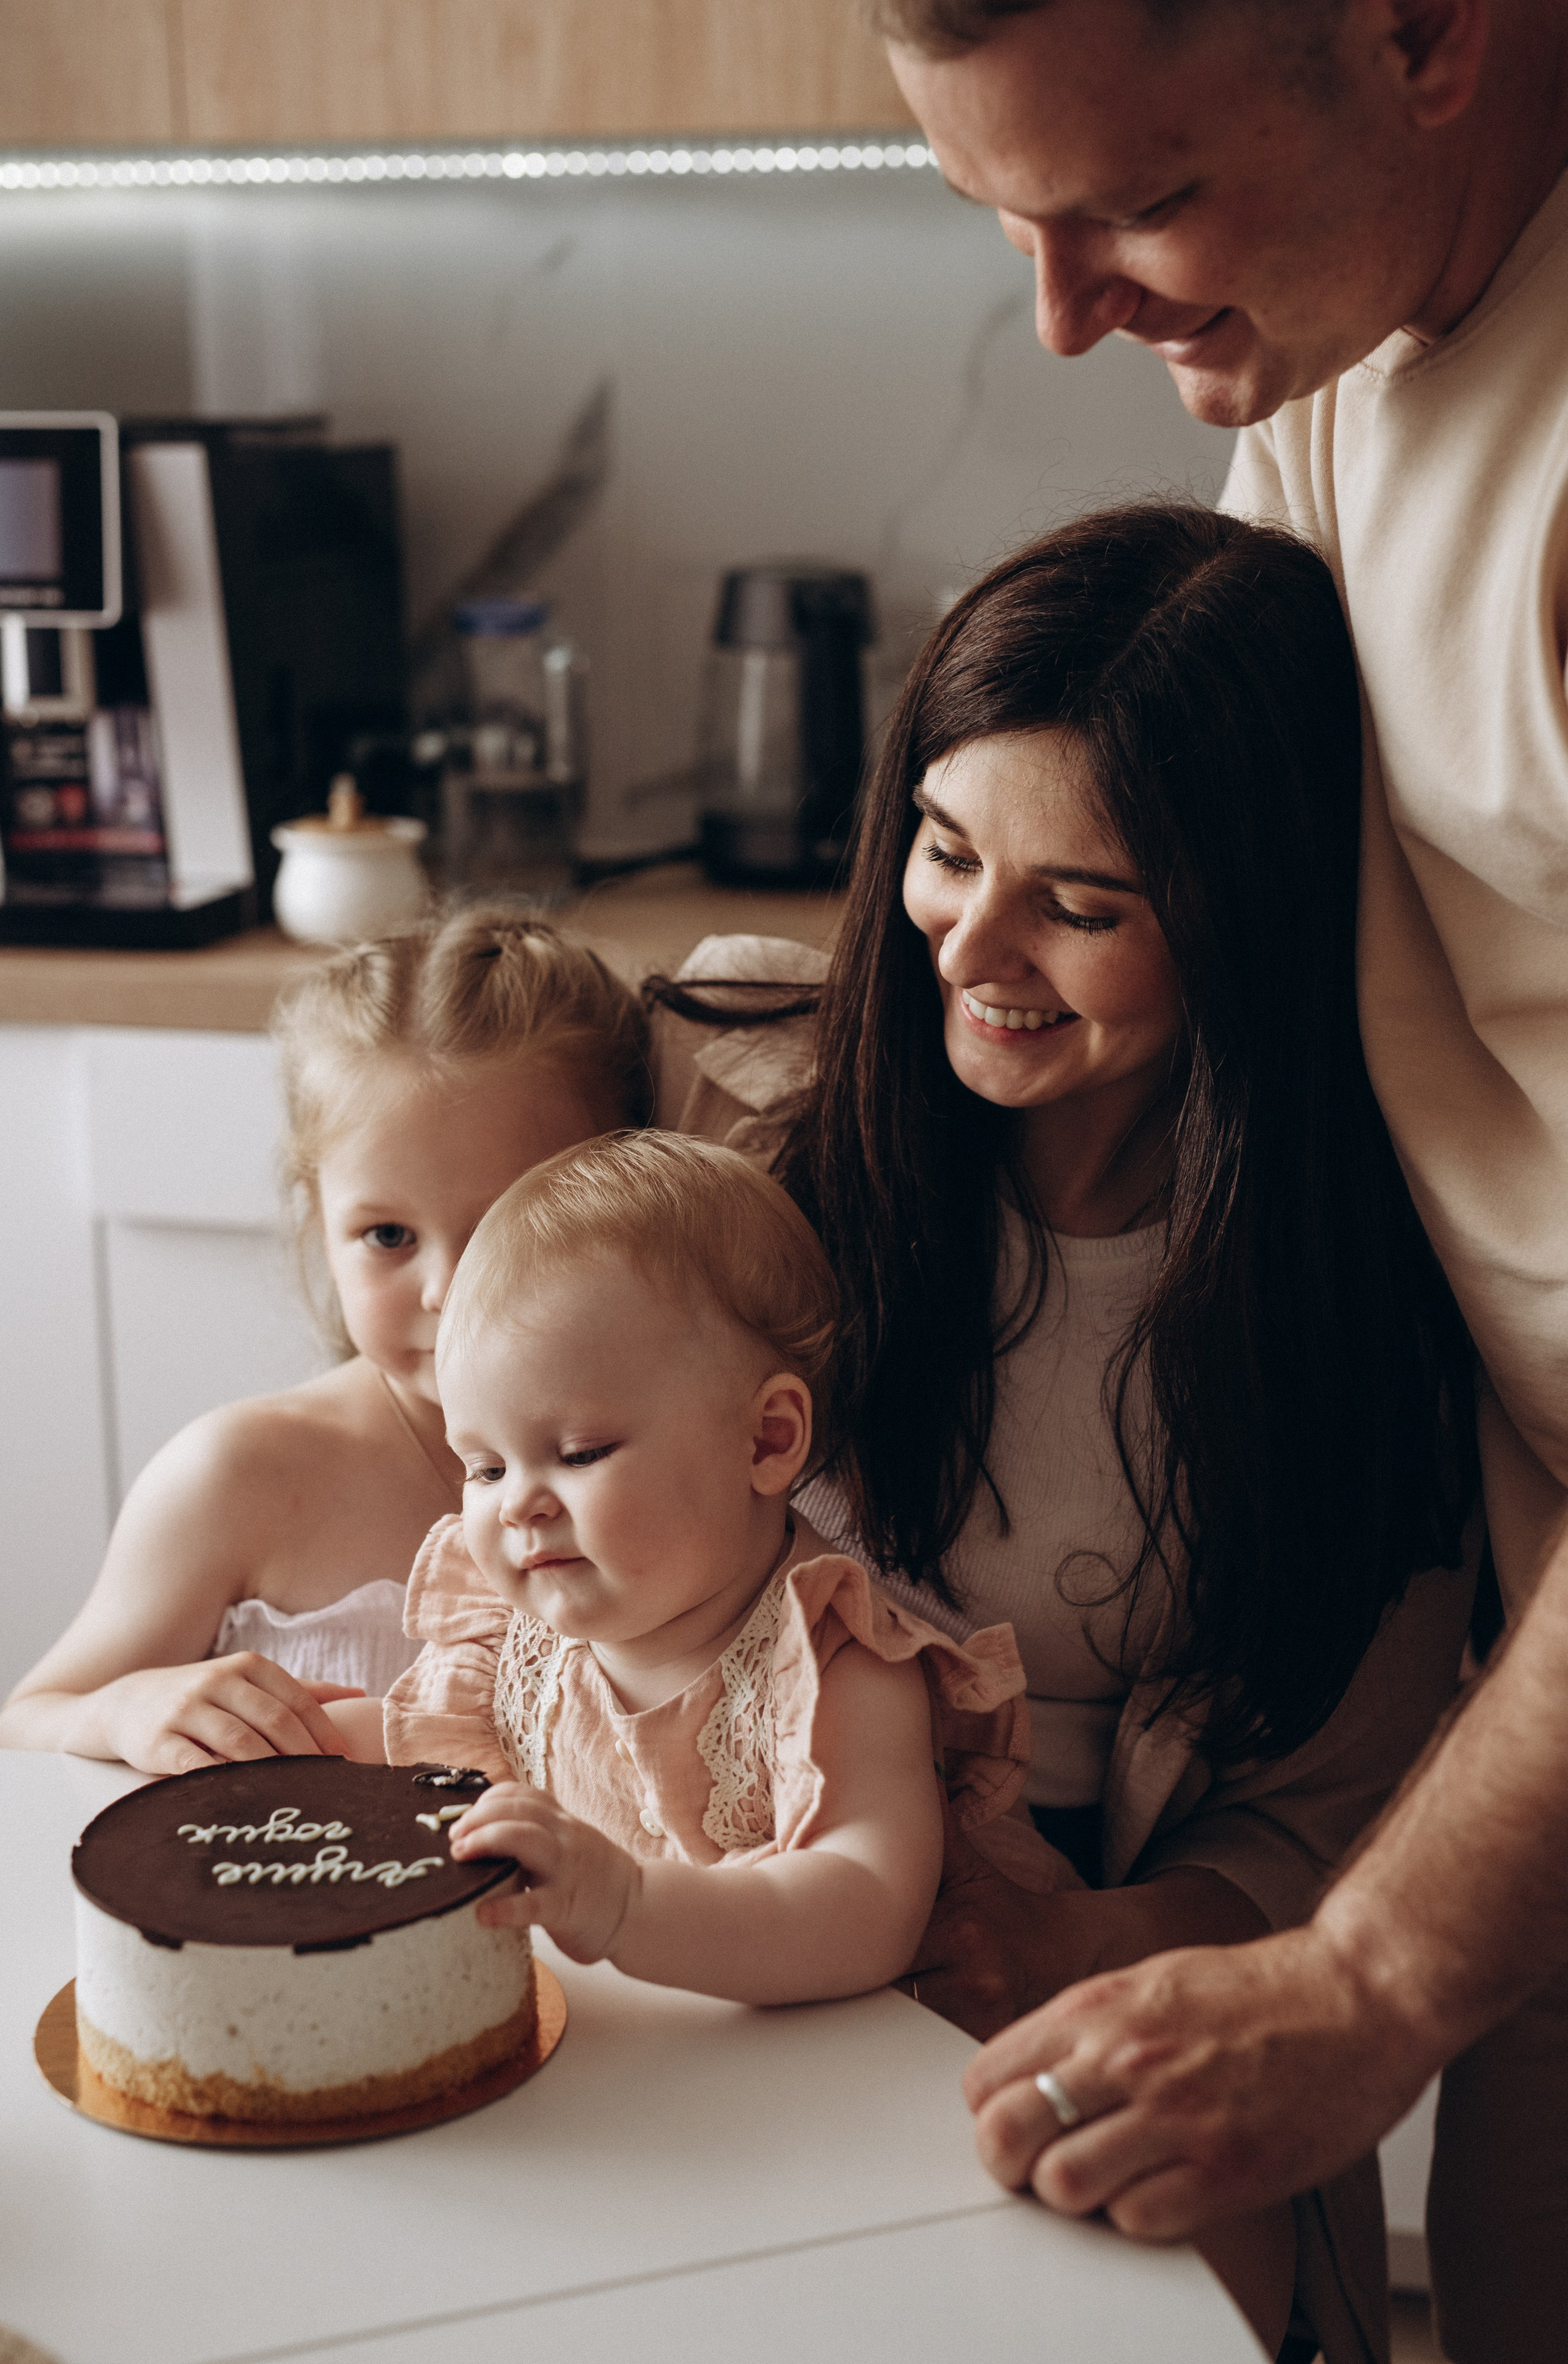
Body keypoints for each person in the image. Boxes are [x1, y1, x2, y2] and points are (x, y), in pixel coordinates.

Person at [868, 6, 1568, 2356]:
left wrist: (1362, 1965)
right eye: (1008, 218)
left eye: (1139, 205)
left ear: (1430, 33)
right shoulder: (1347, 329)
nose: (1063, 314)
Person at [648, 502, 1477, 2363]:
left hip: (1103, 1979)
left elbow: (1332, 1825)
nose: (974, 948)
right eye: (947, 853)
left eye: (1082, 906)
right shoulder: (738, 1122)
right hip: (707, 1936)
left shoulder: (1366, 1306)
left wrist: (1071, 1950)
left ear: (1245, 924)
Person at [327, 1129, 1069, 2008]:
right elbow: (433, 1756)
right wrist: (293, 1738)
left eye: (579, 1451)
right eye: (485, 1467)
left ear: (767, 1440)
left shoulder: (838, 1668)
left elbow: (867, 1910)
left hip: (875, 2079)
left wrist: (627, 1905)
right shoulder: (520, 1640)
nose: (518, 1504)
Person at [0, 910, 646, 1776]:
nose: (448, 1289)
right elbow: (23, 1726)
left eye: (505, 1226)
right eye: (386, 1236)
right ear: (318, 1220)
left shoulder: (687, 1460)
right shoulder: (237, 1477)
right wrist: (121, 1712)